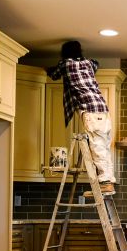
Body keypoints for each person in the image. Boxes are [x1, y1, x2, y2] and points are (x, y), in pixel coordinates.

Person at [47, 41, 116, 195]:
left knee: (97, 146)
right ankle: (108, 181)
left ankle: (105, 183)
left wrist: (48, 69)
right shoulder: (90, 63)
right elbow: (96, 63)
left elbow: (54, 75)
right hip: (103, 110)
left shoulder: (66, 64)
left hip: (90, 110)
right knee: (103, 147)